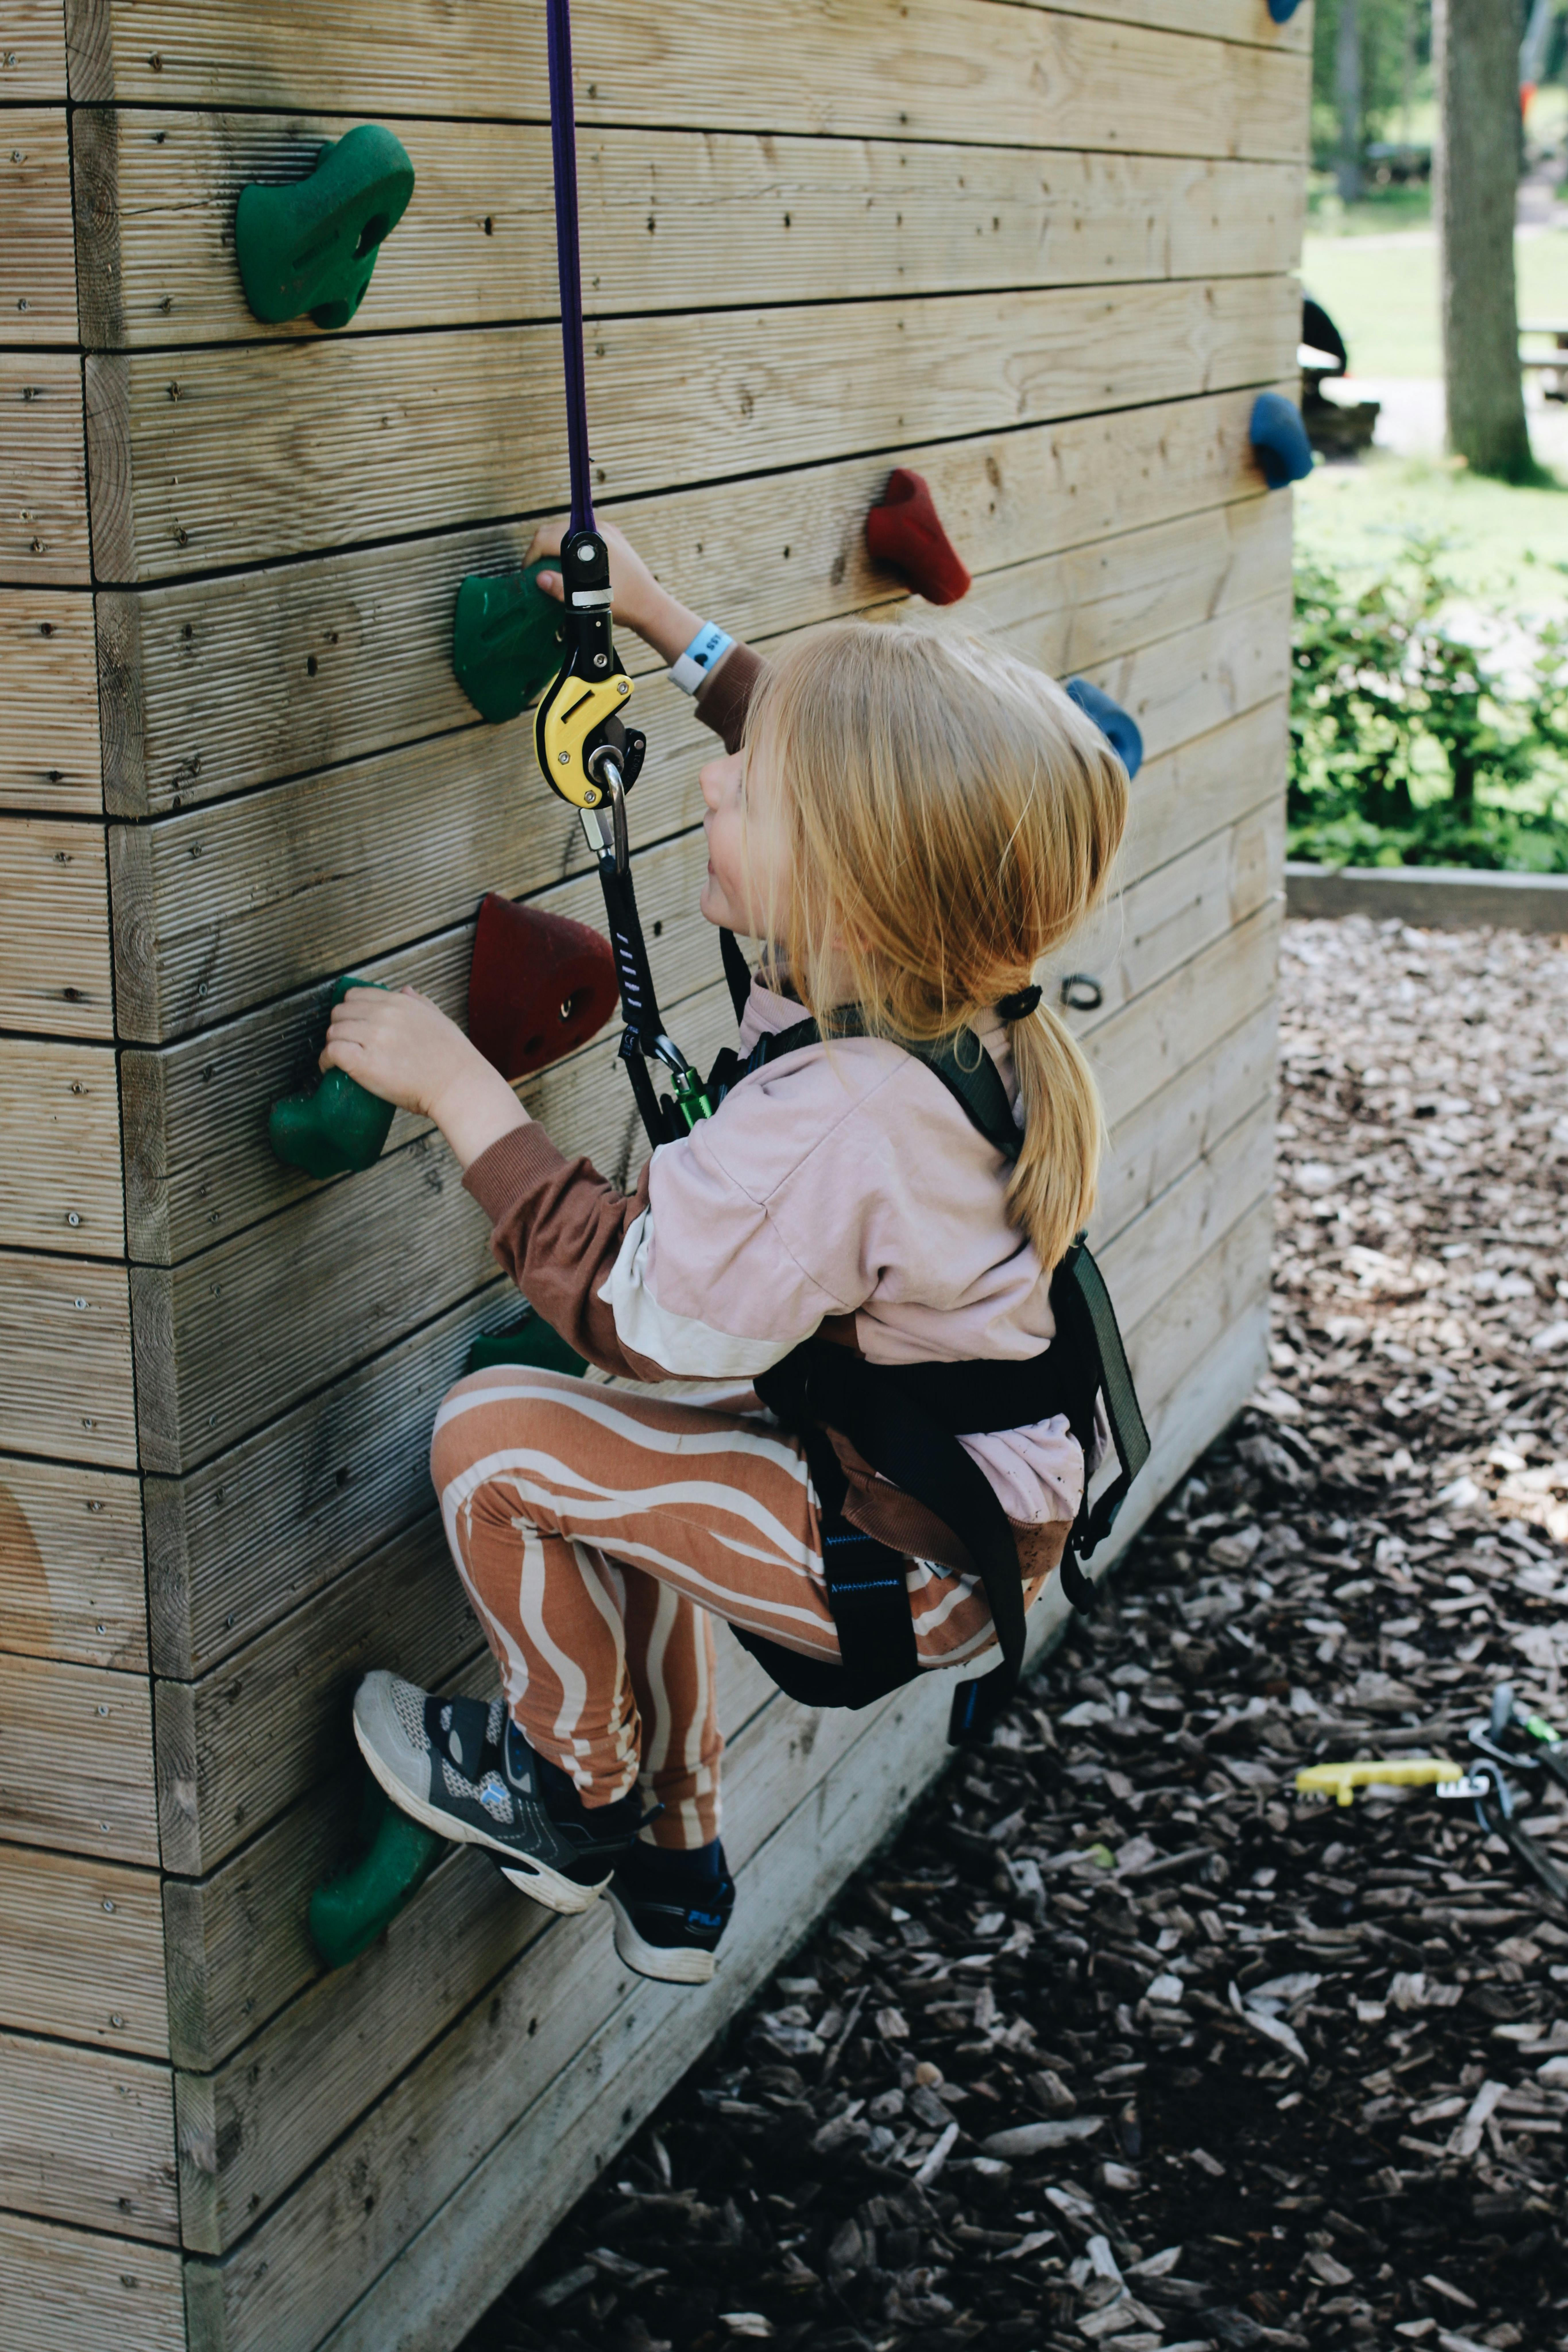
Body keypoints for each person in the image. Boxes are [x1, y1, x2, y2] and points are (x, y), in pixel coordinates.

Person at [331, 520, 1129, 1985]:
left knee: (503, 1441)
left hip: (907, 1550)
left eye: (746, 795)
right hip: (934, 1482)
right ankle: (680, 1861)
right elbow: (832, 756)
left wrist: (465, 1096)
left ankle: (565, 1798)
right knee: (622, 1460)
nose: (712, 776)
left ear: (846, 881)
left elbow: (643, 1311)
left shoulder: (848, 1111)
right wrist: (659, 621)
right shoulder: (939, 986)